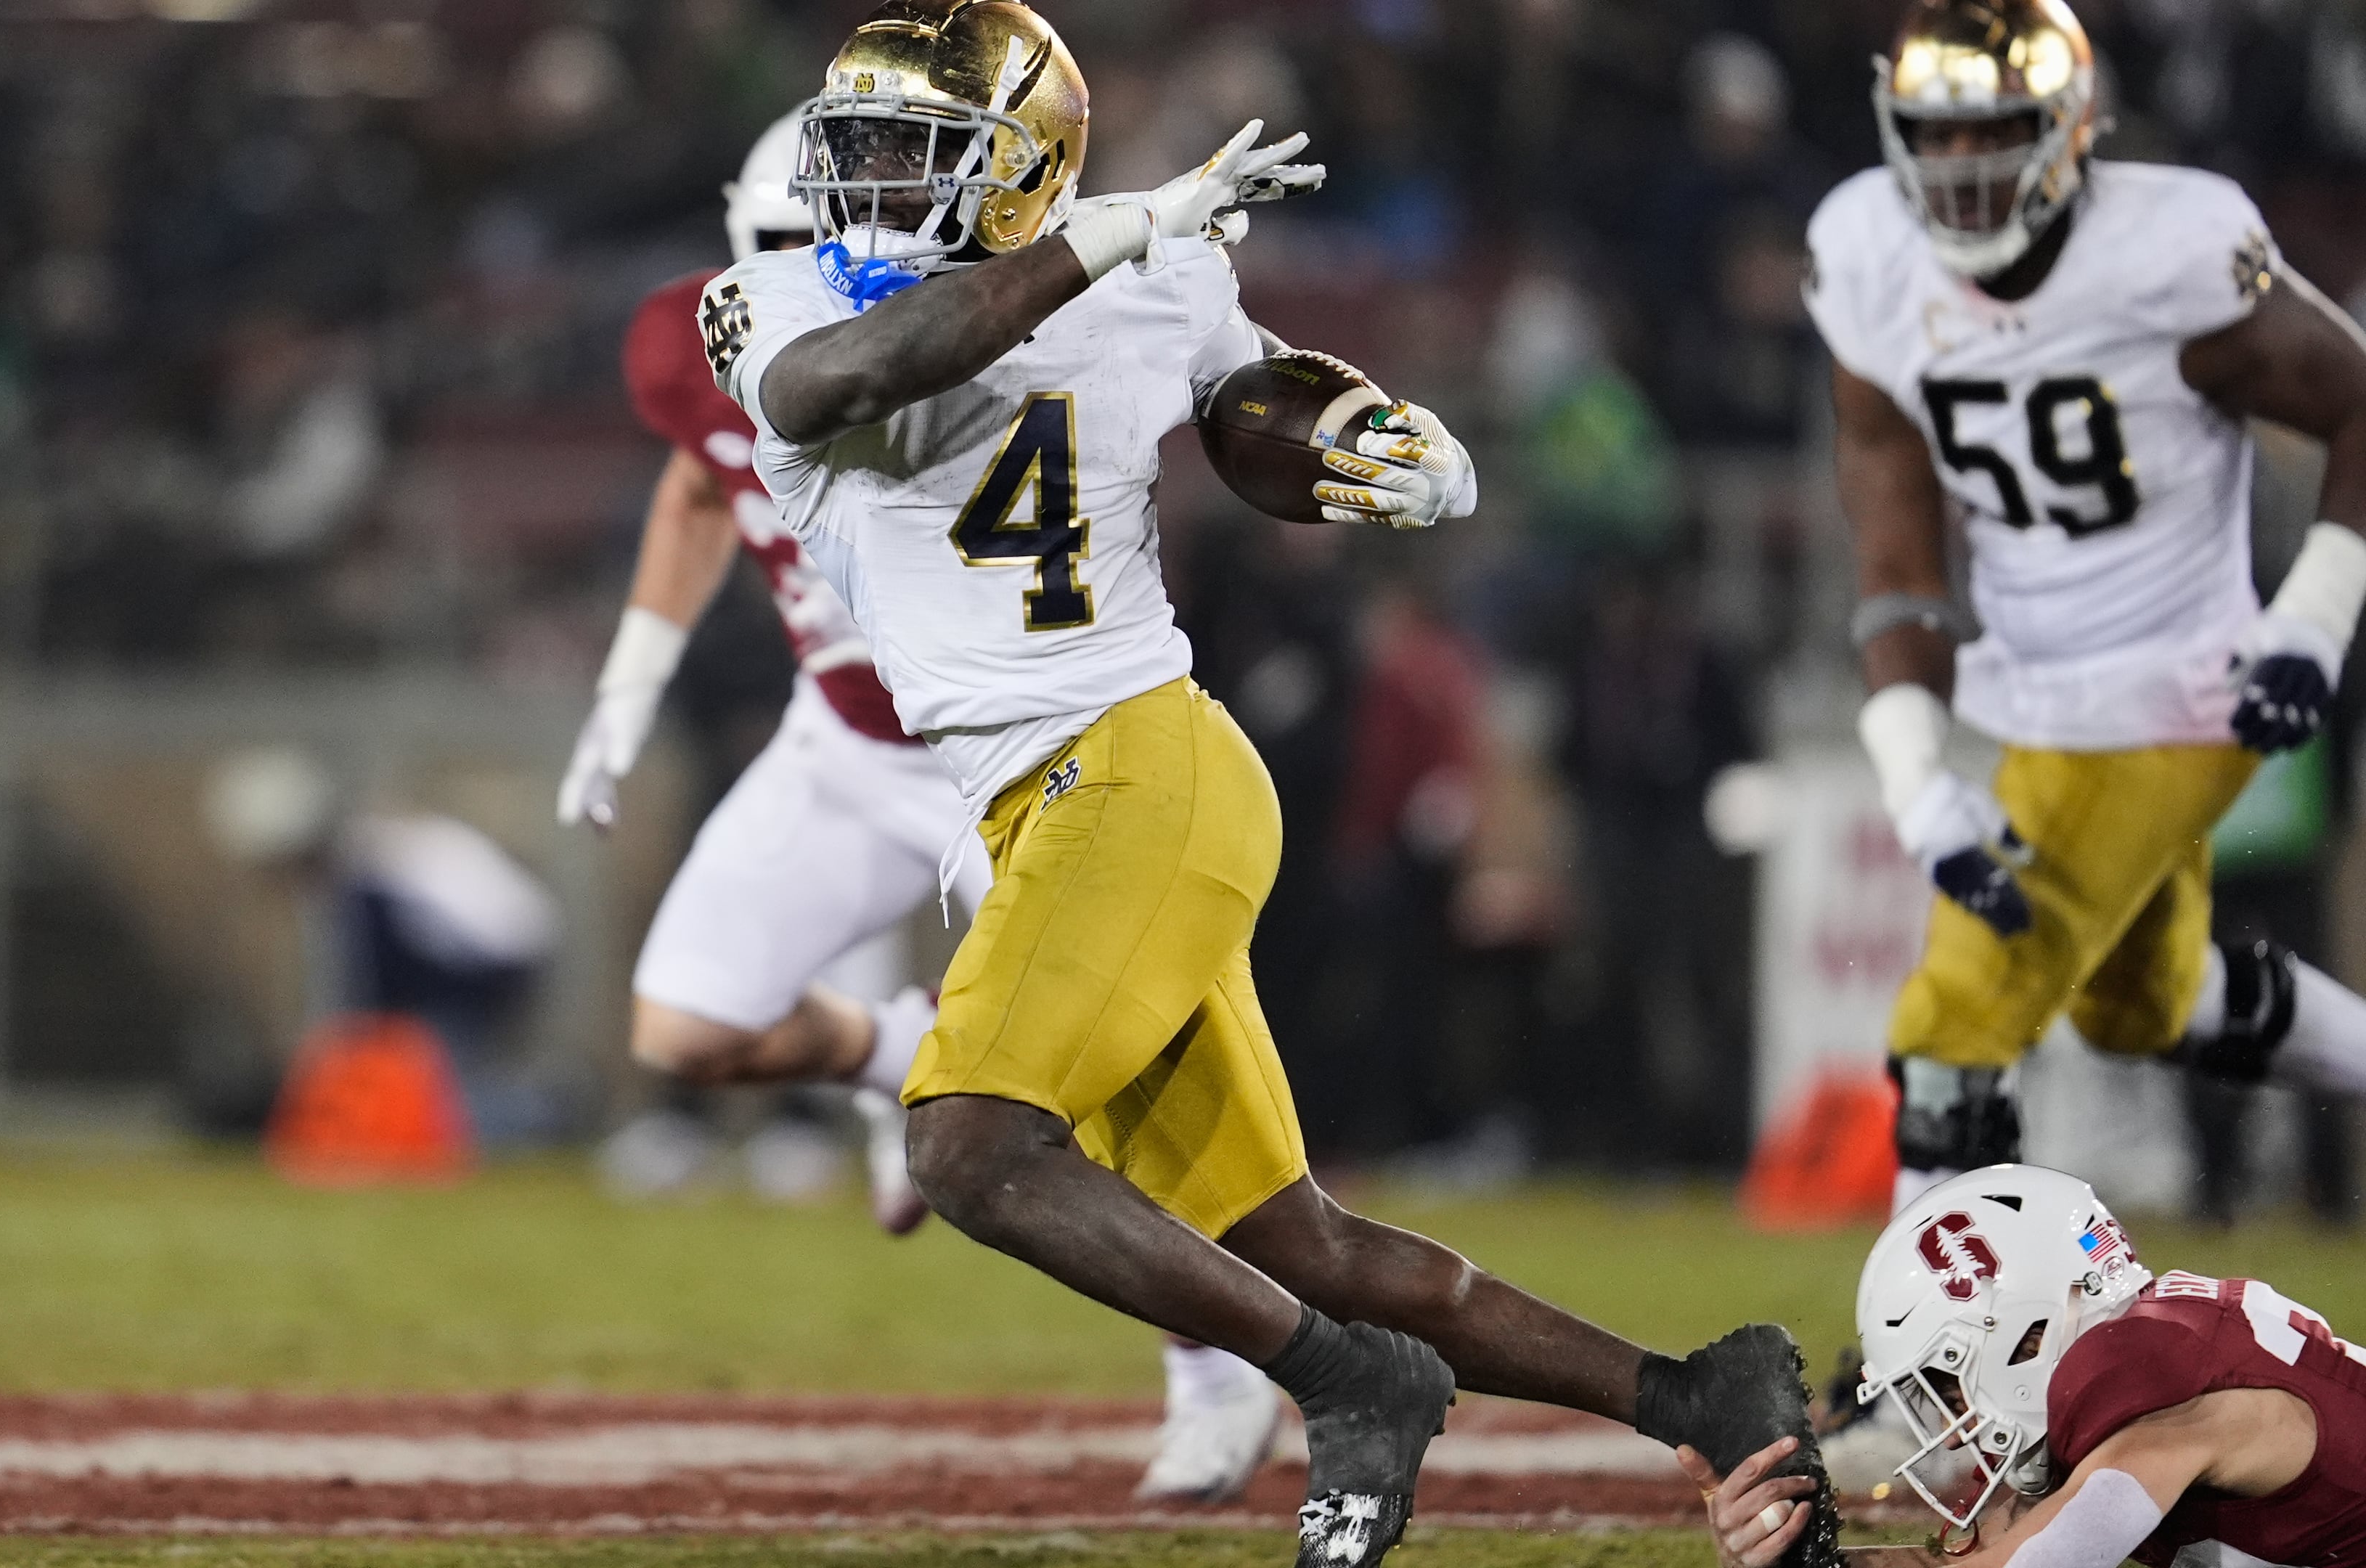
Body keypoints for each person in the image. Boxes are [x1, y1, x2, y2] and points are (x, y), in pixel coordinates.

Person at [705, 6, 1835, 1565]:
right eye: (865, 155)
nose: (875, 190)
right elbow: (868, 371)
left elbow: (1250, 408)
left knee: (969, 1145)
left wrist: (1369, 436)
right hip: (1034, 805)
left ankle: (1348, 1386)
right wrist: (1101, 240)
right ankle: (1703, 1394)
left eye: (918, 156)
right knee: (1293, 1243)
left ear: (1017, 169)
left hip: (1132, 759)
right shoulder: (773, 299)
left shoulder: (1154, 272)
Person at [563, 110, 1284, 1505]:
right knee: (686, 1023)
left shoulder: (993, 324)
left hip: (1012, 757)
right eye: (785, 247)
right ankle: (903, 1049)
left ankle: (1216, 1363)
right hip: (840, 744)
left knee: (1098, 1121)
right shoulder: (719, 337)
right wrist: (628, 682)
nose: (828, 264)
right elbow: (699, 484)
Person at [1804, 0, 2366, 1212]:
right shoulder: (1867, 257)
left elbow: (2359, 403)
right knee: (2136, 1006)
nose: (1959, 168)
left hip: (2181, 684)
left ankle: (1921, 1373)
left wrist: (2312, 621)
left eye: (1991, 130)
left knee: (1958, 1010)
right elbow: (1896, 540)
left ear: (2068, 127)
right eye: (1934, 136)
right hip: (2036, 688)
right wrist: (1912, 776)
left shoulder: (2170, 251)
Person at [1692, 1163, 2366, 1568]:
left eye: (1949, 1383)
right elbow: (1967, 1563)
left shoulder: (2172, 1414)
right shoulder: (2138, 1374)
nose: (1955, 1430)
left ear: (2027, 1336)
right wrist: (1799, 1559)